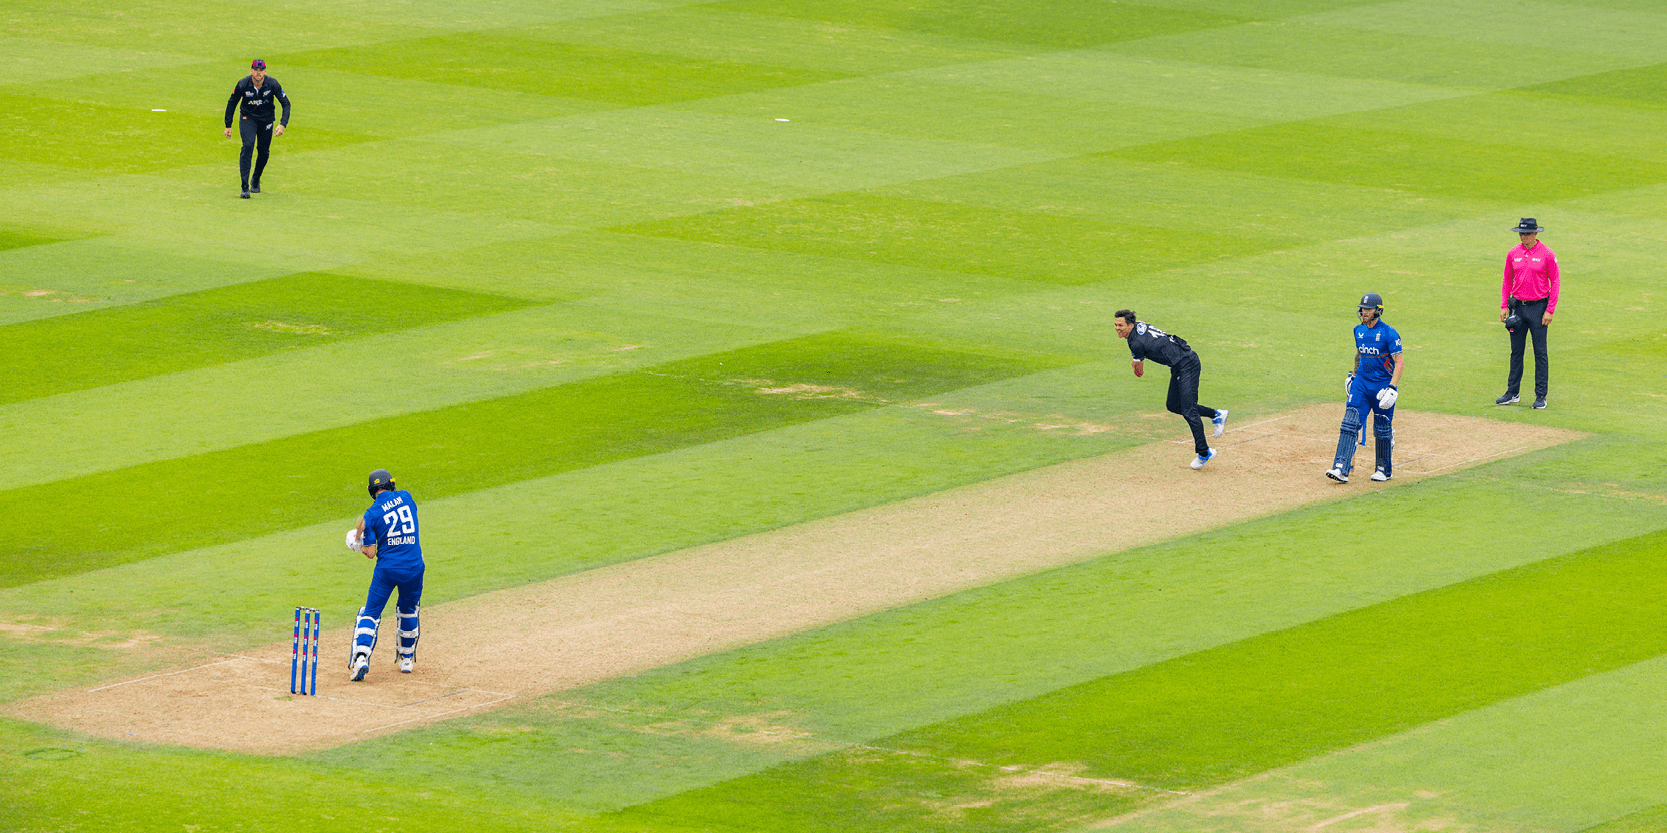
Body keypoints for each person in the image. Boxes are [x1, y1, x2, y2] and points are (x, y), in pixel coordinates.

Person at [1114, 310, 1228, 470]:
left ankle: (1204, 453)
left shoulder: (1135, 343)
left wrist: (1135, 364)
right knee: (1173, 405)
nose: (1117, 328)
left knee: (1188, 410)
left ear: (1130, 324)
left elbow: (1139, 373)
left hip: (1187, 364)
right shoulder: (1139, 325)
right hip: (1178, 364)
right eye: (1115, 325)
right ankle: (1217, 415)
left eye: (1120, 325)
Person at [344, 469, 424, 680]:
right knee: (408, 610)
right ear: (392, 484)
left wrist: (356, 545)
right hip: (414, 566)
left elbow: (370, 553)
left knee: (370, 613)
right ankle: (406, 660)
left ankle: (361, 657)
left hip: (388, 570)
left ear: (371, 491)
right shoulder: (406, 497)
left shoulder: (371, 515)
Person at [1327, 293, 1403, 483]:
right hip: (1361, 383)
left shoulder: (1389, 333)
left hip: (1382, 386)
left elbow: (1399, 361)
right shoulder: (1358, 331)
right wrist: (1353, 376)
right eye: (1363, 309)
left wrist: (1393, 387)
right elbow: (1359, 354)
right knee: (1349, 422)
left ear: (1378, 311)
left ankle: (1384, 469)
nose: (1364, 312)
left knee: (1382, 427)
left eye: (1368, 309)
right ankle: (1340, 468)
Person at [1497, 218, 1559, 409]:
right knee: (1516, 352)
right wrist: (1503, 305)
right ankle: (1512, 392)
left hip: (1539, 308)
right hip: (1518, 308)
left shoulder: (1547, 254)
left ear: (1535, 234)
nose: (1524, 237)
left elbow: (1555, 281)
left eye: (1527, 234)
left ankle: (1541, 396)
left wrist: (1550, 309)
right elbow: (1507, 280)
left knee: (1540, 353)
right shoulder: (1513, 253)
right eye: (1521, 233)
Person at [223, 59, 290, 198]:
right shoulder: (243, 84)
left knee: (264, 152)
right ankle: (245, 186)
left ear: (265, 71)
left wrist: (282, 124)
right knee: (248, 146)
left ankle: (256, 179)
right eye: (255, 70)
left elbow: (286, 103)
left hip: (266, 120)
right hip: (248, 118)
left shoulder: (272, 84)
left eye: (261, 70)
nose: (258, 73)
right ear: (251, 71)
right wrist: (228, 125)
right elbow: (232, 103)